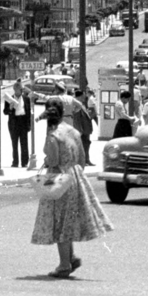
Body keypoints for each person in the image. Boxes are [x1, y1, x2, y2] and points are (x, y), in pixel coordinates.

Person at [31, 98, 112, 277]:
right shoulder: (73, 131)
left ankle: (64, 264)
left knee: (60, 222)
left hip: (60, 178)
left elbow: (53, 161)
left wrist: (47, 160)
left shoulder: (53, 135)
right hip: (76, 176)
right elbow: (82, 159)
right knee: (68, 220)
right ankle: (71, 257)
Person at [6, 80, 30, 168]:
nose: (19, 91)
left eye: (20, 89)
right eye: (17, 89)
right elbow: (5, 112)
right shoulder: (10, 98)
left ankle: (24, 162)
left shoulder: (26, 99)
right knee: (14, 144)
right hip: (14, 122)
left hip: (23, 121)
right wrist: (10, 108)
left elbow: (28, 112)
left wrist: (28, 125)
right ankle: (15, 162)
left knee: (24, 143)